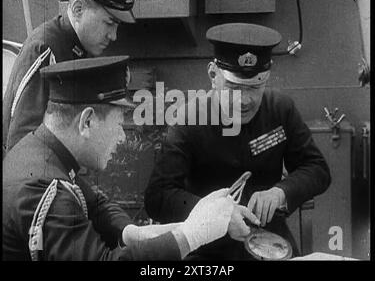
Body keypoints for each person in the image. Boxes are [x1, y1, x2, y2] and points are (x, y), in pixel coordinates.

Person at [2, 56, 259, 261]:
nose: (122, 137)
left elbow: (95, 204)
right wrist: (192, 234)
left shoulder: (42, 154)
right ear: (87, 121)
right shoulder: (44, 188)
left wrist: (135, 233)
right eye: (118, 124)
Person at [144, 23, 332, 260]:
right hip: (206, 247)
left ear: (267, 77)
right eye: (233, 87)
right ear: (213, 75)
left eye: (254, 87)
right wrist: (217, 216)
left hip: (270, 241)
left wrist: (281, 193)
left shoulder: (280, 110)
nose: (244, 100)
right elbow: (157, 196)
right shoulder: (189, 120)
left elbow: (317, 169)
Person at [3, 0, 144, 153]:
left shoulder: (79, 47)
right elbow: (21, 143)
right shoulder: (45, 48)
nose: (114, 35)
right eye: (109, 23)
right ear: (78, 10)